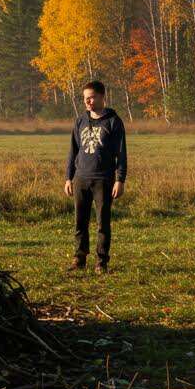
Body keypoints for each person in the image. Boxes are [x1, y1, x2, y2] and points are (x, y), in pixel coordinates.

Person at [65, 81, 127, 273]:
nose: (88, 102)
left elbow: (121, 153)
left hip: (104, 179)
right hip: (81, 178)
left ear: (102, 97)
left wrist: (120, 179)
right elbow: (73, 151)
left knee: (103, 222)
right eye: (85, 99)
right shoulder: (80, 121)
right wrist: (69, 178)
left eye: (91, 97)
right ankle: (79, 257)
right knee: (80, 221)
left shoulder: (113, 121)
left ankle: (101, 262)